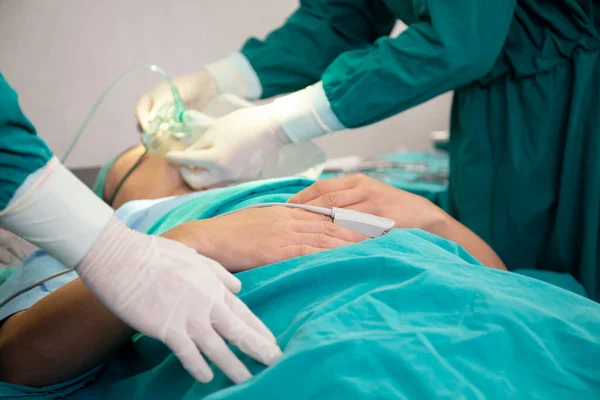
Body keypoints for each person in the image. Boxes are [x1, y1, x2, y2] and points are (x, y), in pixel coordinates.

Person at [136, 1, 600, 301]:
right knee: (507, 291)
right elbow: (342, 13)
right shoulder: (152, 235)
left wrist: (279, 123)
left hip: (579, 96)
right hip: (498, 112)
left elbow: (461, 39)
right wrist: (223, 78)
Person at [0, 74, 282, 384]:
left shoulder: (281, 192)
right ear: (113, 200)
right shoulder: (79, 251)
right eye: (183, 169)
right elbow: (16, 361)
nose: (200, 170)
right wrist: (188, 240)